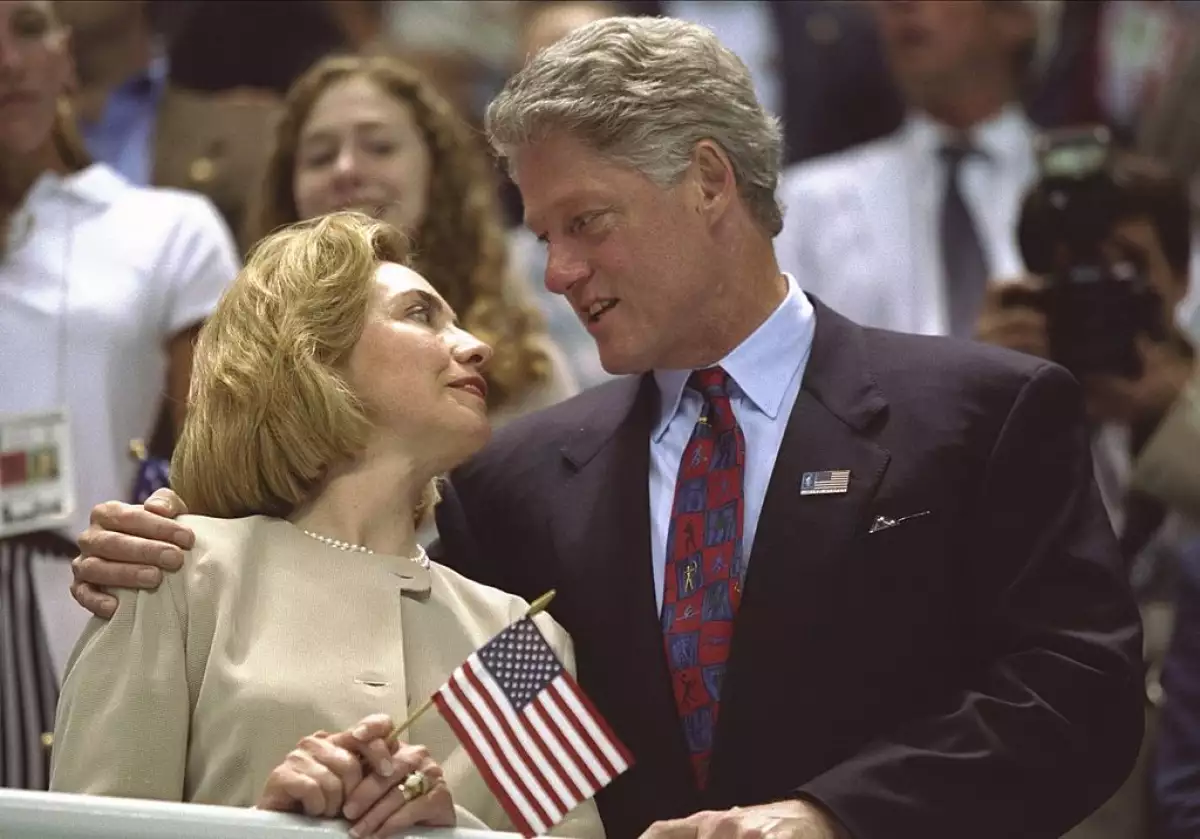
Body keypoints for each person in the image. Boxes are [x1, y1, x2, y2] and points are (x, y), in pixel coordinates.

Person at [69, 16, 1145, 839]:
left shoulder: (983, 410)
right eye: (543, 233)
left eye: (586, 222)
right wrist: (185, 528)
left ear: (710, 182)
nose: (557, 274)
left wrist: (825, 815)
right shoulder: (516, 481)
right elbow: (456, 733)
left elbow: (1075, 696)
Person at [50, 211, 605, 839]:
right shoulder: (172, 571)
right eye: (421, 315)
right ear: (311, 349)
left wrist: (456, 832)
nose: (476, 344)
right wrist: (265, 831)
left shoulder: (515, 632)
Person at [0, 0, 238, 791]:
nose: (7, 61)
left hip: (96, 598)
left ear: (66, 55)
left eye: (27, 29)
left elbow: (223, 466)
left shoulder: (167, 228)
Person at [243, 52, 578, 426]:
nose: (346, 169)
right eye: (320, 157)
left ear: (435, 172)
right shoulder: (244, 364)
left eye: (380, 147)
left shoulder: (520, 365)